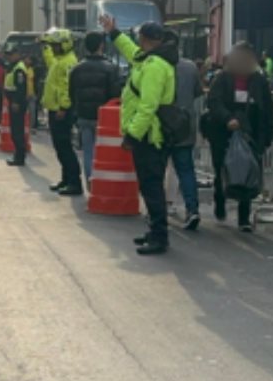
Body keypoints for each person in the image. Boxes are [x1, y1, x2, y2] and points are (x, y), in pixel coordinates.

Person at [100, 15, 177, 255]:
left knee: (151, 186)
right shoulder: (150, 59)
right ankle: (155, 231)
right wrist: (114, 33)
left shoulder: (153, 66)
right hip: (149, 134)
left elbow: (148, 105)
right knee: (149, 185)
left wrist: (132, 135)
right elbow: (130, 51)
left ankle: (159, 236)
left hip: (149, 136)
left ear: (144, 39)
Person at [205, 42, 273, 232]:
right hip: (222, 133)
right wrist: (227, 118)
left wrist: (267, 136)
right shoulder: (222, 78)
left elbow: (267, 110)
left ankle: (244, 217)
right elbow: (213, 101)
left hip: (250, 133)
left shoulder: (259, 81)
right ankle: (220, 198)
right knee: (221, 169)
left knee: (249, 172)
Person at [69, 31, 121, 186]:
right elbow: (115, 95)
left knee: (88, 151)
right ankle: (103, 182)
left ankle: (91, 182)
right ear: (101, 45)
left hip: (84, 116)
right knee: (104, 151)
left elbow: (72, 94)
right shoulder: (110, 68)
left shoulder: (77, 69)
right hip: (104, 118)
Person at [41, 28, 82, 196]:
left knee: (64, 147)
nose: (54, 48)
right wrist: (45, 47)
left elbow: (66, 86)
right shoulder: (60, 60)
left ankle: (74, 182)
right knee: (60, 147)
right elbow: (51, 61)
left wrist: (63, 107)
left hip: (61, 111)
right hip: (55, 109)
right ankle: (66, 179)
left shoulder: (68, 62)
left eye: (56, 45)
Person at [169, 52, 204, 230]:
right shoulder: (190, 67)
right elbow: (198, 92)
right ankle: (192, 209)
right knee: (186, 169)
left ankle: (157, 210)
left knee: (157, 169)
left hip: (161, 124)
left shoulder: (154, 64)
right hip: (185, 124)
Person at [3, 47, 29, 166]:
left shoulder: (19, 69)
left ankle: (19, 157)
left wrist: (16, 102)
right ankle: (17, 155)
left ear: (18, 54)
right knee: (15, 130)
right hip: (13, 101)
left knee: (17, 130)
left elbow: (21, 88)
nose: (9, 57)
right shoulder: (13, 66)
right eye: (8, 55)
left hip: (17, 102)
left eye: (11, 54)